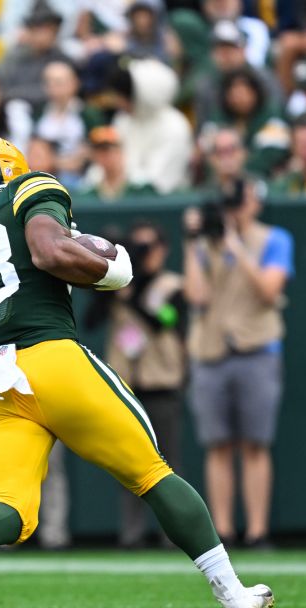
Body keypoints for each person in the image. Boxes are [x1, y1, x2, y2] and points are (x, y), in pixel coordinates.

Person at [0, 134, 273, 608]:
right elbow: (47, 254)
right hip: (51, 357)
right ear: (16, 167)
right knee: (151, 473)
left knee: (10, 508)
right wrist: (110, 269)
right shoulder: (30, 189)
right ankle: (233, 594)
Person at [183, 177, 293, 550]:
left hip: (257, 350)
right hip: (211, 352)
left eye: (241, 200)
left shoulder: (274, 239)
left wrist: (237, 247)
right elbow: (195, 295)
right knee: (218, 445)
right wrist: (193, 242)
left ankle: (258, 530)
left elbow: (268, 291)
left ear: (255, 203)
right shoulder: (205, 245)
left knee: (255, 444)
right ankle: (224, 531)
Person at [83, 220, 188, 548]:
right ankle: (132, 533)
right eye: (138, 248)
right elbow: (90, 321)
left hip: (161, 382)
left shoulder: (171, 285)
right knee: (128, 462)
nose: (144, 256)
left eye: (149, 248)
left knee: (167, 461)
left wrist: (134, 295)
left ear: (163, 250)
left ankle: (175, 533)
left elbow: (165, 321)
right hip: (126, 384)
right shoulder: (119, 284)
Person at [110, 57, 192, 194]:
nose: (117, 101)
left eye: (123, 95)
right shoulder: (123, 120)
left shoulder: (174, 126)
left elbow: (158, 182)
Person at [0, 1, 69, 109]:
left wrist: (15, 93)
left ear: (55, 32)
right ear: (29, 32)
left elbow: (62, 91)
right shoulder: (15, 56)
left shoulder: (62, 59)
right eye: (37, 30)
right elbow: (1, 88)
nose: (41, 36)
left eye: (47, 30)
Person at [78, 126, 157, 201]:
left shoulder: (139, 185)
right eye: (97, 151)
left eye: (106, 150)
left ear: (120, 152)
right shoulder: (90, 187)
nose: (102, 156)